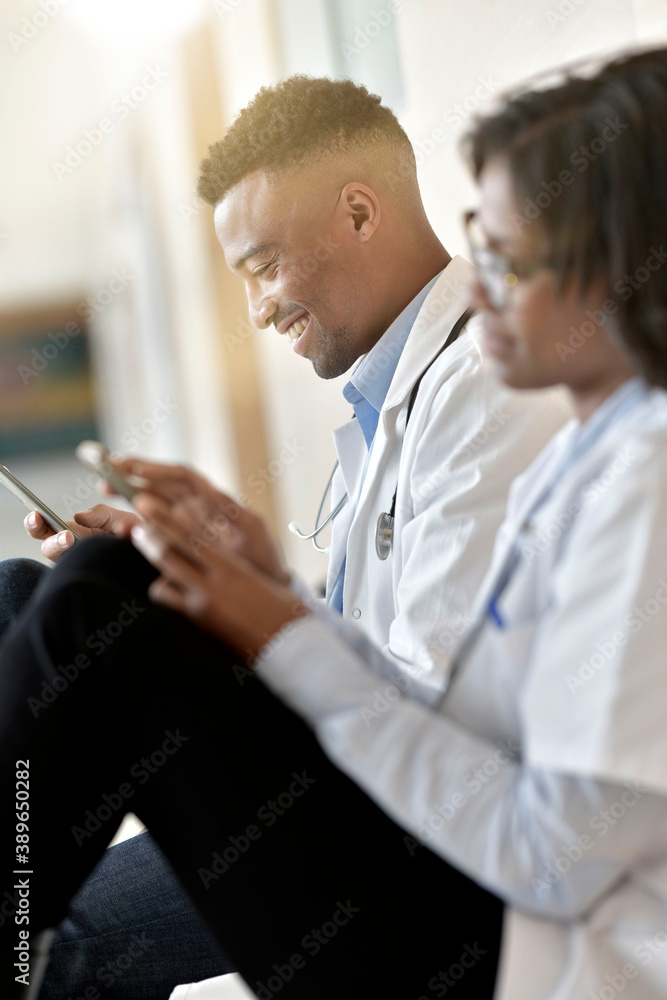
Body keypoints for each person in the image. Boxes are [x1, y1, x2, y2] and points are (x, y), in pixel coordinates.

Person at [2, 42, 667, 1000]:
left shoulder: (609, 465)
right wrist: (263, 590)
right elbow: (450, 706)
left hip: (490, 946)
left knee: (96, 604)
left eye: (504, 254)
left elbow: (524, 826)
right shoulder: (583, 454)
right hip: (448, 874)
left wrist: (269, 620)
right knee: (56, 590)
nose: (474, 287)